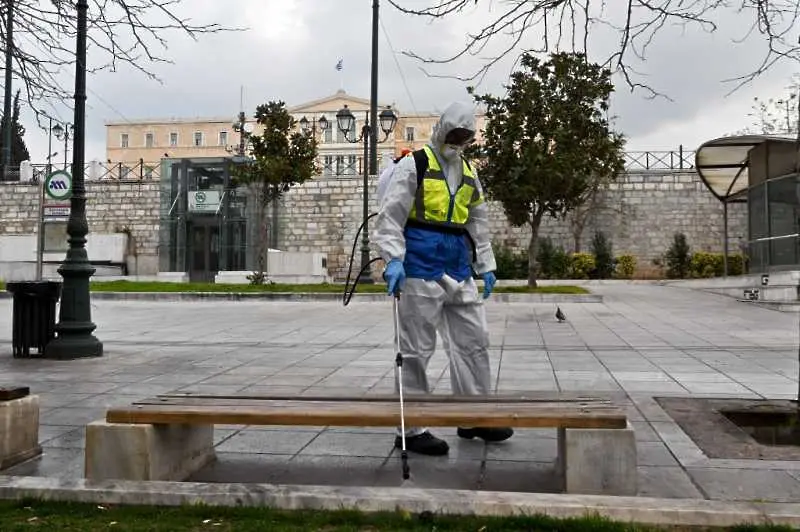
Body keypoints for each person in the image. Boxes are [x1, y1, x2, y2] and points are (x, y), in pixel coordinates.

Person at [373, 101, 513, 456]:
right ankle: (412, 429)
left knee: (474, 341)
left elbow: (477, 220)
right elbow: (390, 216)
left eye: (465, 136)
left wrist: (487, 263)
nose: (458, 140)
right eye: (454, 133)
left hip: (456, 265)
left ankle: (474, 416)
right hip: (419, 266)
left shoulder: (469, 171)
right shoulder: (415, 164)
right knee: (416, 349)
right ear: (441, 129)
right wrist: (393, 259)